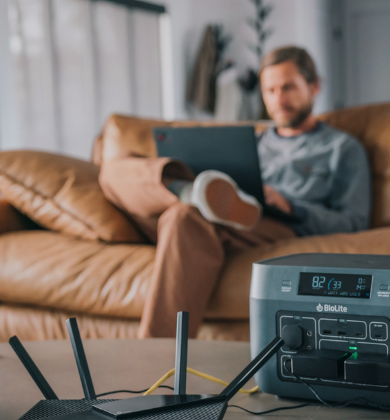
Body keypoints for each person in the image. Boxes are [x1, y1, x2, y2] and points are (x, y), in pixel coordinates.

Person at [99, 45, 371, 338]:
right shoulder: (252, 143)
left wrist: (292, 207)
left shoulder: (341, 148)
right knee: (114, 169)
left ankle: (155, 361)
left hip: (274, 223)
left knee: (182, 218)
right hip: (206, 216)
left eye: (288, 88)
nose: (278, 99)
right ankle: (188, 191)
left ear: (314, 86)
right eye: (270, 90)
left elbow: (353, 222)